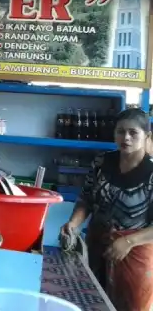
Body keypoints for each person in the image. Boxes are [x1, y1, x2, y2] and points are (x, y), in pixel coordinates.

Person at [59, 107, 153, 311]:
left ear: (147, 135)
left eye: (133, 132)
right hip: (97, 247)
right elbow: (86, 199)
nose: (125, 137)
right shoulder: (102, 162)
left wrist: (128, 241)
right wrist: (74, 224)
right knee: (91, 303)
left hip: (134, 255)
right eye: (120, 131)